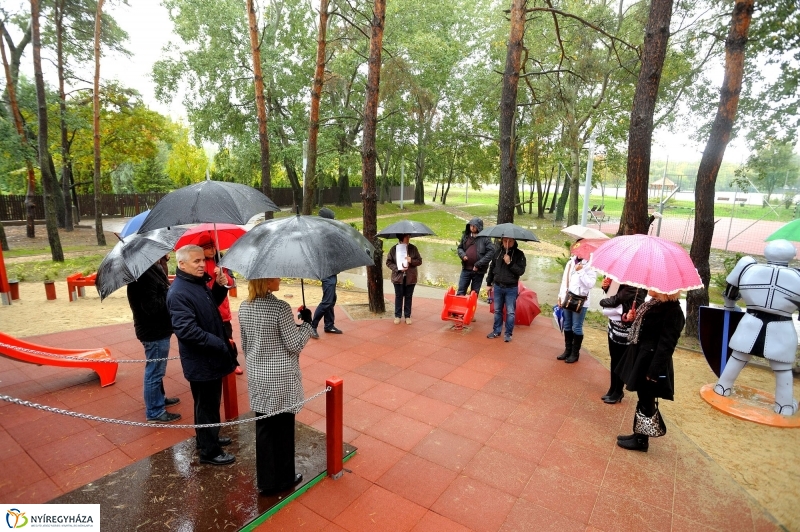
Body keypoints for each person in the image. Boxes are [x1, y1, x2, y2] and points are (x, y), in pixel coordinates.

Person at [238, 277, 313, 496]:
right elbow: (295, 344)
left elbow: (245, 342)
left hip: (258, 375)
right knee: (283, 427)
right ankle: (284, 477)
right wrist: (307, 324)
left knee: (264, 428)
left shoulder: (244, 307)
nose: (279, 279)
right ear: (267, 281)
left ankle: (266, 480)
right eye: (276, 276)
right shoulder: (279, 308)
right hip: (280, 378)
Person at [167, 245, 237, 466]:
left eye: (201, 260)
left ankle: (207, 437)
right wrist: (218, 343)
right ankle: (210, 452)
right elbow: (186, 330)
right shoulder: (179, 292)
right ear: (182, 264)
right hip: (202, 359)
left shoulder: (195, 283)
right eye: (195, 261)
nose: (201, 264)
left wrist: (219, 287)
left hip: (209, 356)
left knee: (207, 403)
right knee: (206, 404)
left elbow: (209, 306)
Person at [714, 239, 800, 415]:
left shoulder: (748, 267)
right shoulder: (797, 276)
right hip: (782, 326)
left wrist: (730, 307)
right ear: (792, 255)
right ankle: (784, 406)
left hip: (750, 321)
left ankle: (723, 387)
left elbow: (730, 292)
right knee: (782, 369)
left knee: (738, 357)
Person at [615, 290, 685, 452]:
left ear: (665, 290)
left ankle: (641, 441)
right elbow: (642, 328)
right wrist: (629, 319)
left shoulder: (673, 312)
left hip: (651, 362)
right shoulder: (653, 304)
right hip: (642, 357)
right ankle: (638, 434)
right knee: (643, 396)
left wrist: (654, 372)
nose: (649, 287)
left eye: (654, 285)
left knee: (647, 398)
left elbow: (667, 346)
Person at [127, 254, 181, 424]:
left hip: (158, 329)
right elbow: (151, 307)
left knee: (157, 369)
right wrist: (168, 292)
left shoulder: (152, 270)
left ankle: (158, 398)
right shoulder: (142, 278)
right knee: (155, 371)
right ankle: (155, 411)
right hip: (153, 331)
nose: (164, 256)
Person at [198, 235, 242, 375]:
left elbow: (231, 283)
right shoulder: (199, 265)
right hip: (207, 309)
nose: (212, 250)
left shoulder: (222, 261)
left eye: (213, 246)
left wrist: (224, 276)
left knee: (228, 337)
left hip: (223, 309)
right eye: (208, 247)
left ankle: (233, 362)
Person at [598, 278, 645, 404]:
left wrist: (602, 302)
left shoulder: (634, 284)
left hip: (625, 328)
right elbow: (613, 295)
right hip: (615, 324)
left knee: (620, 361)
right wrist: (606, 287)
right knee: (614, 358)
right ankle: (612, 388)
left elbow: (615, 300)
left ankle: (618, 391)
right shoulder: (620, 280)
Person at [556, 250, 597, 363]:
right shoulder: (571, 262)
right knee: (567, 325)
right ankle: (567, 351)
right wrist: (560, 296)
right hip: (568, 298)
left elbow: (590, 284)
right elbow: (565, 281)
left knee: (577, 327)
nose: (579, 252)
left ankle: (575, 354)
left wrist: (581, 271)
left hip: (580, 301)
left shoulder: (590, 265)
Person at [486, 236, 527, 342]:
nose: (507, 243)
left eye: (510, 241)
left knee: (510, 312)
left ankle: (508, 334)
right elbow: (492, 268)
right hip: (498, 286)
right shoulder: (498, 252)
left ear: (514, 241)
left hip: (511, 288)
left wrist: (510, 263)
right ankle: (496, 331)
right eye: (505, 241)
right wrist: (489, 283)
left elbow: (521, 271)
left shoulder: (519, 255)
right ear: (502, 241)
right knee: (497, 310)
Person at [310, 207, 342, 338]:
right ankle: (313, 326)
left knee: (331, 299)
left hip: (331, 271)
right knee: (327, 301)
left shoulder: (328, 232)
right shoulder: (321, 234)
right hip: (326, 272)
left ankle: (329, 325)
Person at [386, 234, 423, 324]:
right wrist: (398, 268)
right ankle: (398, 316)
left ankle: (407, 316)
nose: (408, 238)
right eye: (407, 237)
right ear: (401, 238)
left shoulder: (413, 248)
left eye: (409, 237)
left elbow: (419, 261)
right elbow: (388, 262)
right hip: (398, 277)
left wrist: (411, 260)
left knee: (408, 297)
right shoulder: (394, 249)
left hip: (411, 277)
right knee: (399, 296)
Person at [456, 218, 495, 296]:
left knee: (474, 293)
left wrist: (478, 264)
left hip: (478, 271)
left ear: (479, 227)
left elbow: (491, 252)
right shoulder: (466, 236)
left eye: (474, 226)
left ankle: (470, 307)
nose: (472, 227)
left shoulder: (485, 238)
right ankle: (460, 307)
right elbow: (460, 248)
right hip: (466, 269)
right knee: (461, 291)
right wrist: (463, 255)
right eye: (471, 225)